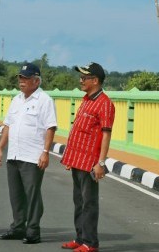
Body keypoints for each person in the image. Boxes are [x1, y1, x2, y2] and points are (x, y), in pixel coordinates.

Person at [0, 63, 57, 244]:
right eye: (20, 78)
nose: (22, 81)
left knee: (32, 194)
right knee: (16, 195)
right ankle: (18, 227)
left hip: (32, 156)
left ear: (36, 81)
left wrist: (45, 152)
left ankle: (33, 231)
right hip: (13, 155)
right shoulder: (16, 99)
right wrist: (0, 148)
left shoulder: (44, 100)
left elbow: (50, 127)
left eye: (26, 78)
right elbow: (8, 125)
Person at [60, 62, 115, 252]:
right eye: (81, 77)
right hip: (77, 160)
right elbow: (79, 131)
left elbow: (106, 135)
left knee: (89, 204)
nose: (81, 80)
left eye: (84, 78)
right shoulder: (86, 100)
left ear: (95, 80)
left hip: (90, 163)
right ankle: (80, 238)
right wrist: (70, 158)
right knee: (79, 202)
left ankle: (90, 243)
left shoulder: (105, 104)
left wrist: (101, 163)